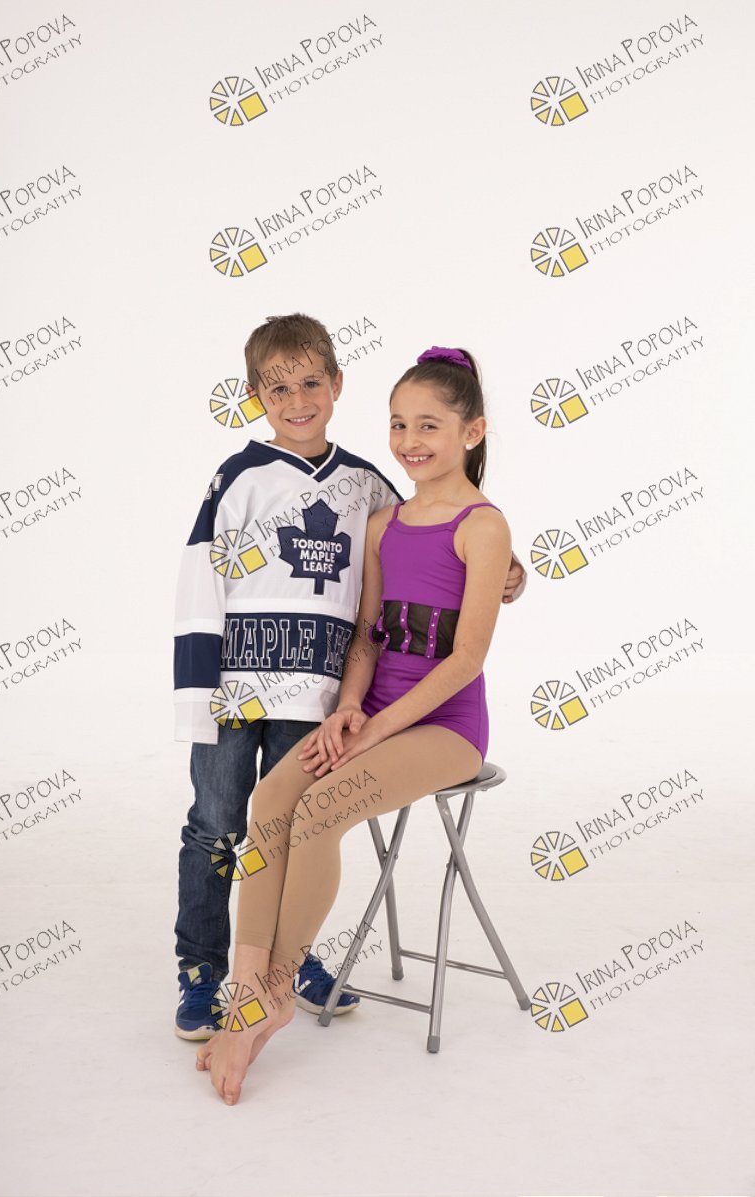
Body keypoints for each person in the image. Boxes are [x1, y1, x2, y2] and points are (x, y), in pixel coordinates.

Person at [195, 342, 516, 1104]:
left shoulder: (483, 526)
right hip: (370, 712)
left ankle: (274, 992)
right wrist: (348, 708)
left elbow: (465, 660)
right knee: (272, 800)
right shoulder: (382, 522)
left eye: (429, 425)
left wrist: (374, 729)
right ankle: (245, 988)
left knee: (321, 811)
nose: (410, 440)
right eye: (399, 423)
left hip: (444, 726)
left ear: (472, 431)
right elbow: (367, 636)